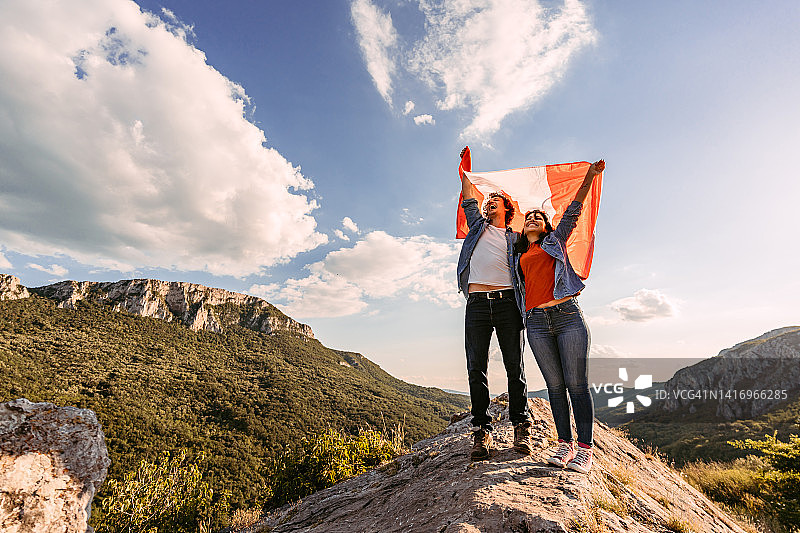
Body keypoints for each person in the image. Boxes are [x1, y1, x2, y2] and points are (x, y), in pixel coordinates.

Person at [513, 159, 605, 474]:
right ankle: (564, 444)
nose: (533, 219)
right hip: (537, 323)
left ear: (547, 225)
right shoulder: (519, 256)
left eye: (538, 217)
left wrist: (590, 176)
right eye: (528, 218)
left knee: (576, 384)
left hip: (567, 317)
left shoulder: (555, 241)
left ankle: (585, 450)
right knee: (554, 385)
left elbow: (574, 210)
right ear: (523, 229)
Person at [456, 147, 533, 461]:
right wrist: (465, 173)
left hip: (507, 304)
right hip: (476, 303)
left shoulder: (515, 238)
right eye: (487, 201)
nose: (488, 203)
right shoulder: (477, 227)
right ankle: (481, 432)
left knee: (515, 367)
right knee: (477, 368)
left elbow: (548, 240)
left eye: (494, 200)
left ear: (507, 208)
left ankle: (520, 424)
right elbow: (468, 200)